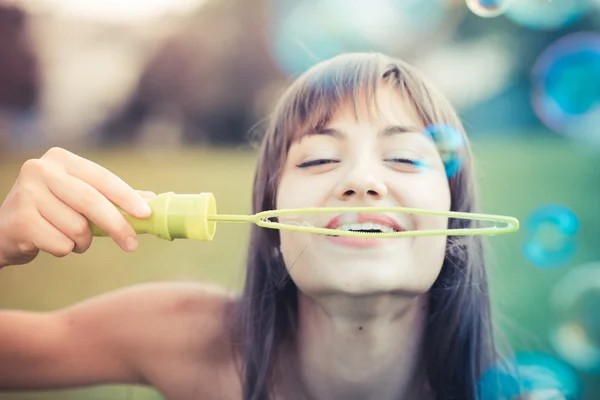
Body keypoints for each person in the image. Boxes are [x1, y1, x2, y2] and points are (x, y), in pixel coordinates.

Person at [0, 52, 504, 400]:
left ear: (456, 221)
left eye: (403, 158)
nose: (362, 181)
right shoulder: (186, 338)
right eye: (320, 159)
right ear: (271, 229)